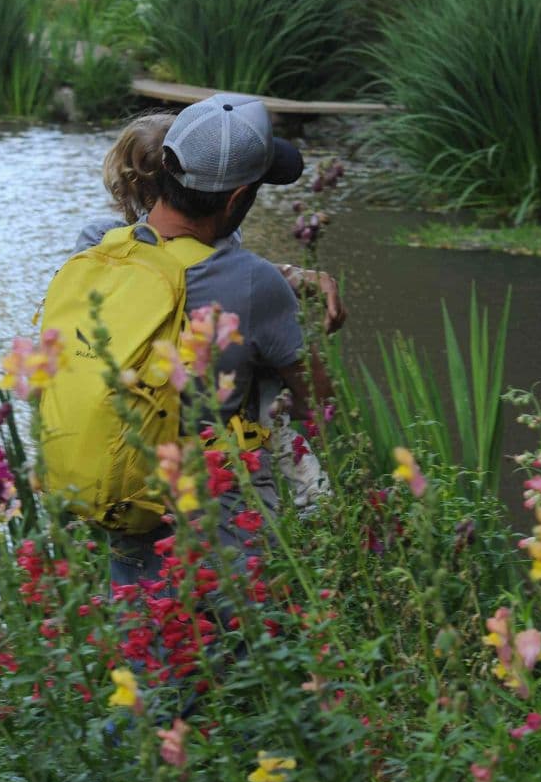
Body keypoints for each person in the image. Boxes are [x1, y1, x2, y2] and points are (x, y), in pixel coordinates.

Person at [71, 93, 342, 589]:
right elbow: (322, 411)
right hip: (225, 549)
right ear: (238, 198)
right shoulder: (254, 285)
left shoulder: (96, 254)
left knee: (149, 658)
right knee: (231, 661)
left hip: (126, 511)